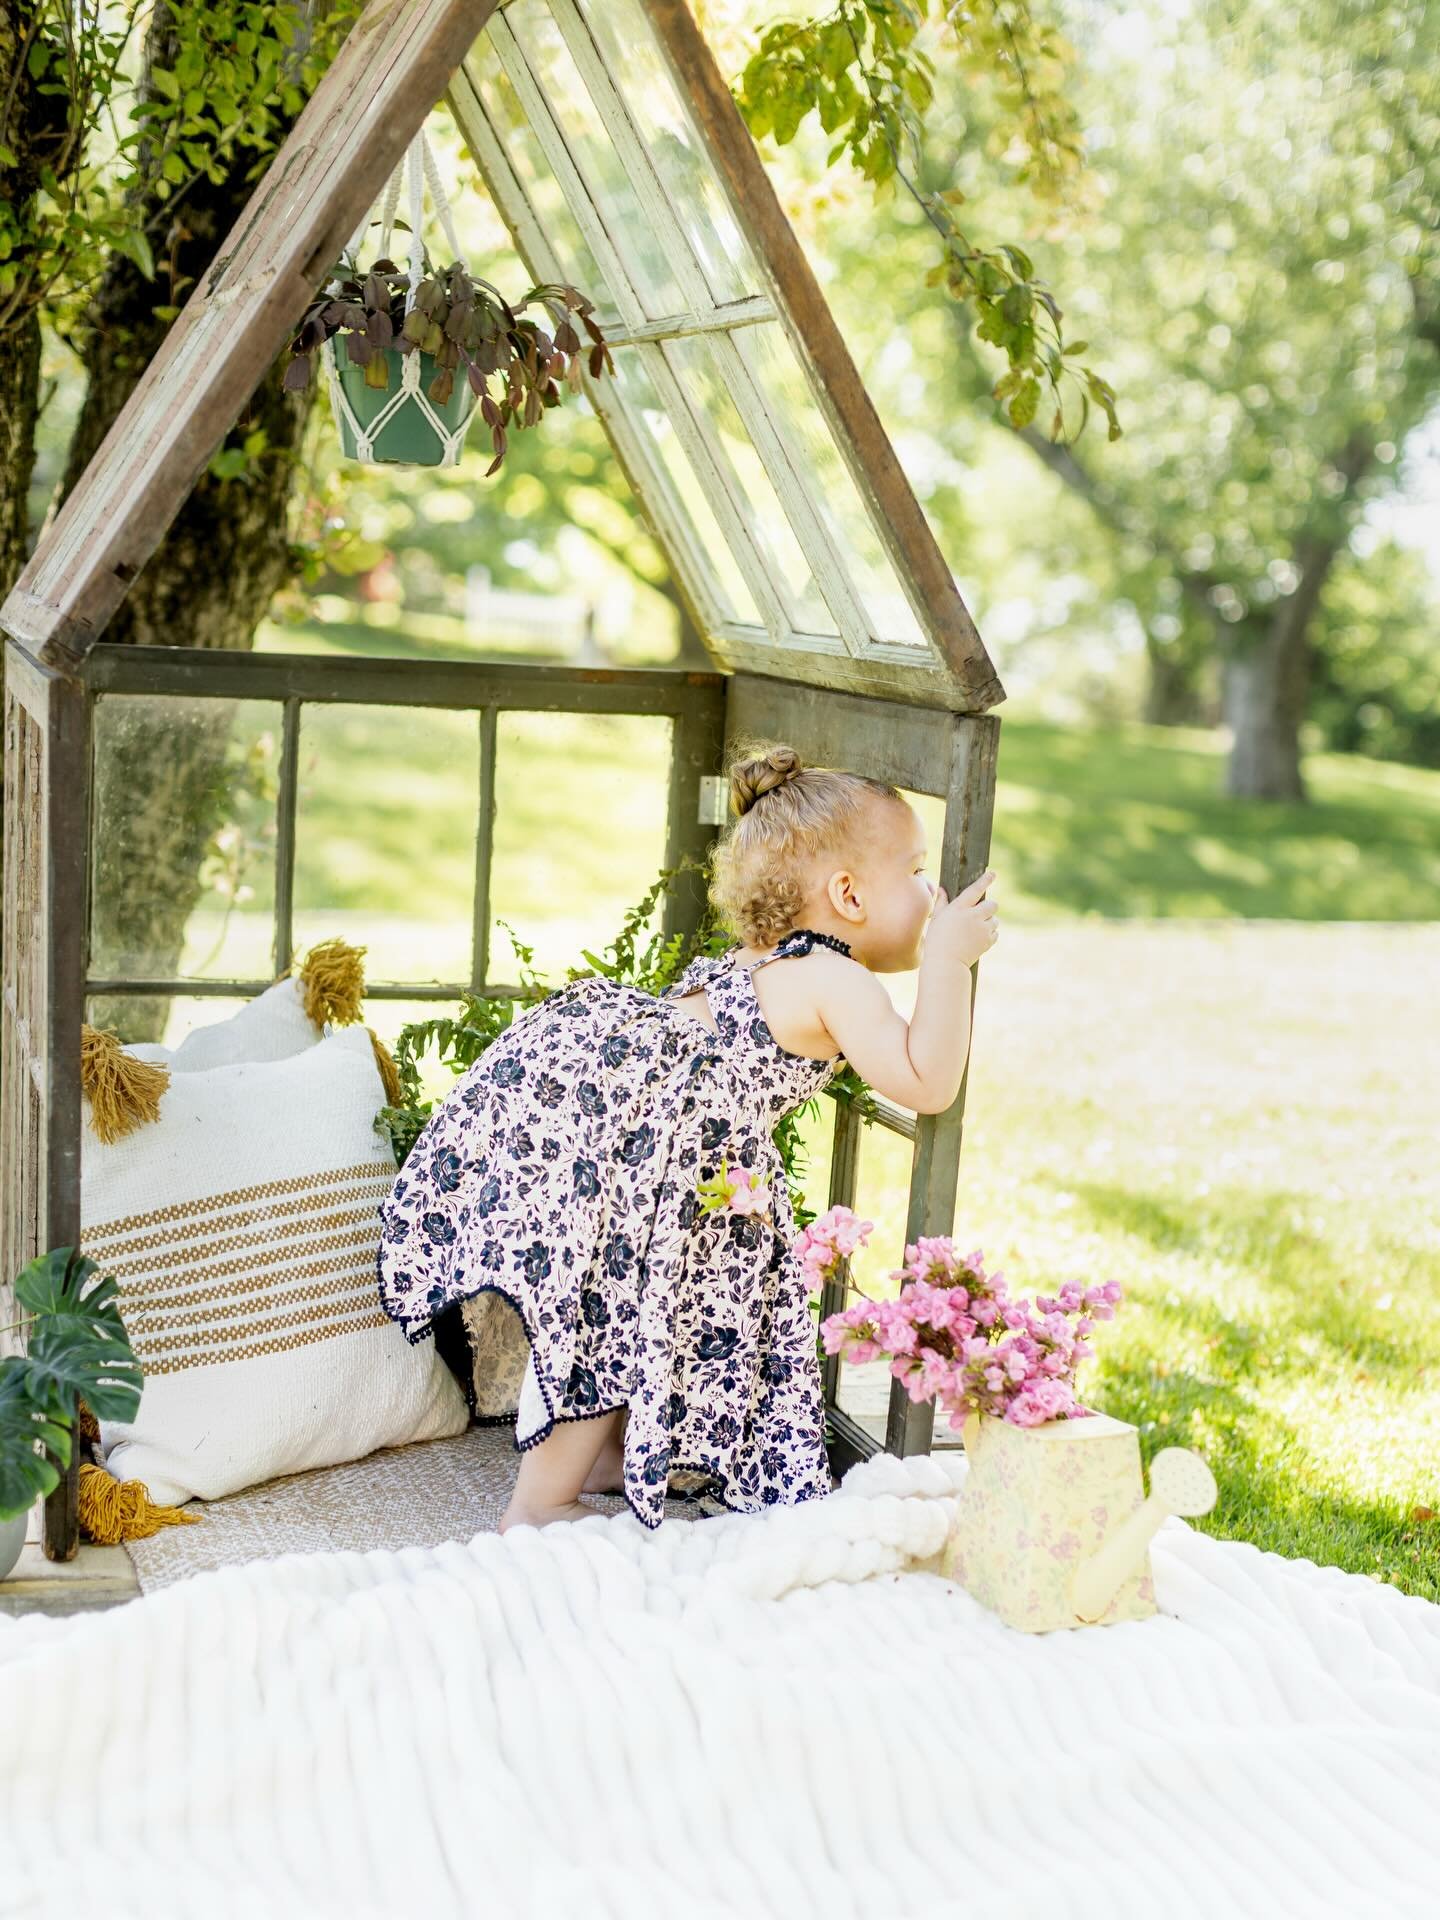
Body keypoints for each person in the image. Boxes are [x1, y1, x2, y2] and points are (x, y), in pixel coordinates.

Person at [375, 743, 1000, 1532]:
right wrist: (949, 959)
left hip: (634, 1147)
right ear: (847, 894)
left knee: (625, 1311)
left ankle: (608, 1455)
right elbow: (926, 1080)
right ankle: (540, 1505)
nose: (933, 891)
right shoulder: (831, 975)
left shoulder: (765, 961)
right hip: (655, 1159)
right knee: (612, 1317)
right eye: (914, 872)